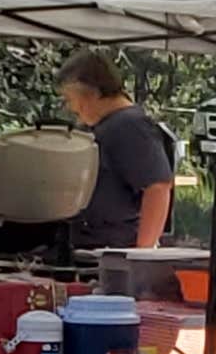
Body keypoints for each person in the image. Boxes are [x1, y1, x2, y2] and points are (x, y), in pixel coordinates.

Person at [60, 51, 176, 258]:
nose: (69, 107)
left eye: (70, 99)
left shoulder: (130, 125)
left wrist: (142, 254)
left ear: (91, 93)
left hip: (116, 247)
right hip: (90, 247)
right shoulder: (105, 125)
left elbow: (158, 187)